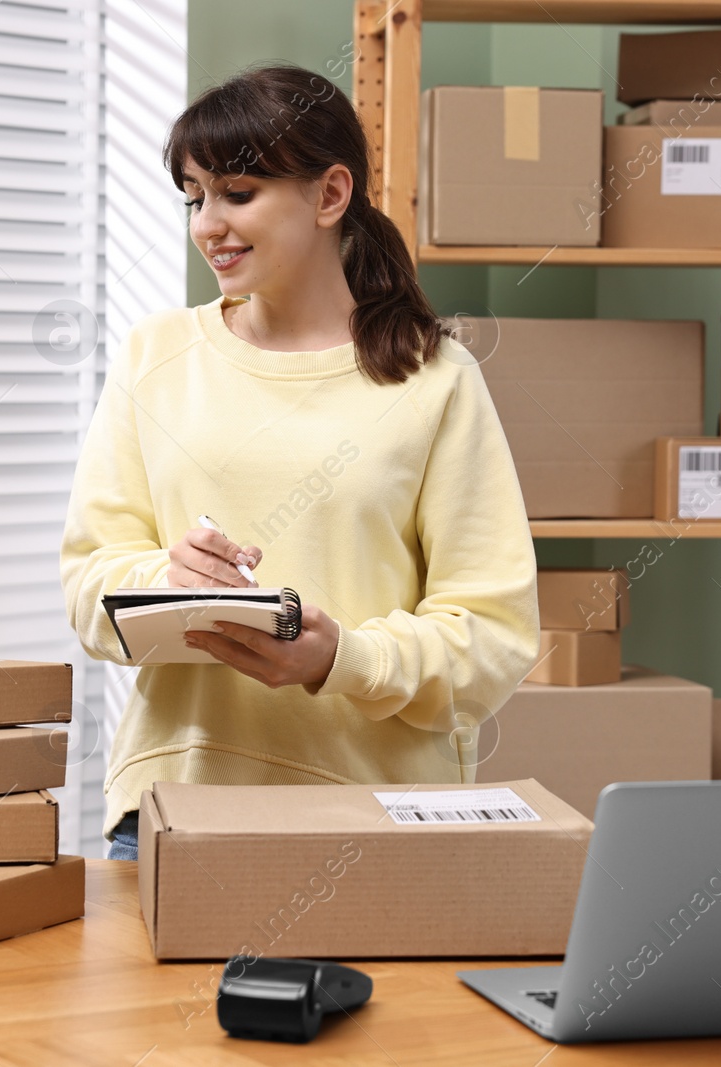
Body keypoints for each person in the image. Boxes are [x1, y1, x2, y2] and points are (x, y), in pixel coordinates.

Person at [60, 63, 540, 861]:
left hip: (380, 820)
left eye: (237, 193)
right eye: (194, 196)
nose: (207, 224)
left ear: (329, 195)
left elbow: (491, 640)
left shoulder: (435, 378)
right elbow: (87, 588)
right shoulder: (157, 356)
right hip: (175, 812)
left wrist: (340, 658)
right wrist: (166, 582)